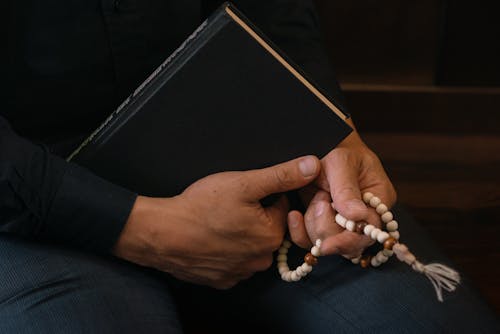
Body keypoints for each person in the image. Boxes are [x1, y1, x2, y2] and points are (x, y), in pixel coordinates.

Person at [1, 0, 498, 332]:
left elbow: (275, 14)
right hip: (27, 206)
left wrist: (329, 134)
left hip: (246, 156)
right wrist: (142, 228)